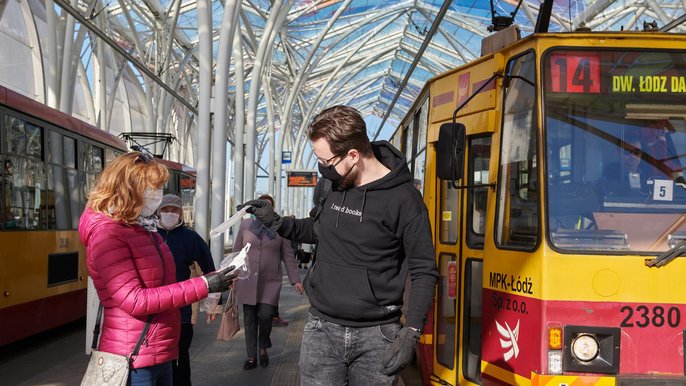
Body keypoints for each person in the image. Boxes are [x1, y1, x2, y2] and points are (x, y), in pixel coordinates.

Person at [238, 105, 438, 385]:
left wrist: (411, 331)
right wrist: (276, 222)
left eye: (327, 162)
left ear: (353, 155)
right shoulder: (330, 186)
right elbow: (317, 229)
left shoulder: (405, 201)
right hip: (321, 328)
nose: (323, 170)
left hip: (377, 335)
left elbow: (424, 269)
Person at [78, 151, 236, 386]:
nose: (157, 196)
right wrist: (203, 285)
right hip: (133, 356)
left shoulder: (145, 229)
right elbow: (135, 300)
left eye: (159, 188)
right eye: (151, 188)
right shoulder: (108, 234)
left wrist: (213, 283)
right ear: (128, 188)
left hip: (159, 348)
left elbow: (164, 285)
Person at [233, 194, 304, 370]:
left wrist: (296, 280)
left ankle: (263, 346)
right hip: (247, 279)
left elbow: (288, 256)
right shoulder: (245, 226)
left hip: (270, 282)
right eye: (261, 208)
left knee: (265, 316)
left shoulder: (280, 229)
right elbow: (236, 252)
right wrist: (232, 275)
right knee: (249, 319)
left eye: (268, 208)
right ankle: (251, 357)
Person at [157, 194, 216, 386]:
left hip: (181, 310)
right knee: (159, 360)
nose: (169, 213)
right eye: (165, 210)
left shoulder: (190, 238)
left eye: (174, 210)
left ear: (181, 211)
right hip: (153, 310)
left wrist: (213, 304)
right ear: (158, 211)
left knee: (181, 356)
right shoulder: (149, 235)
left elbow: (209, 269)